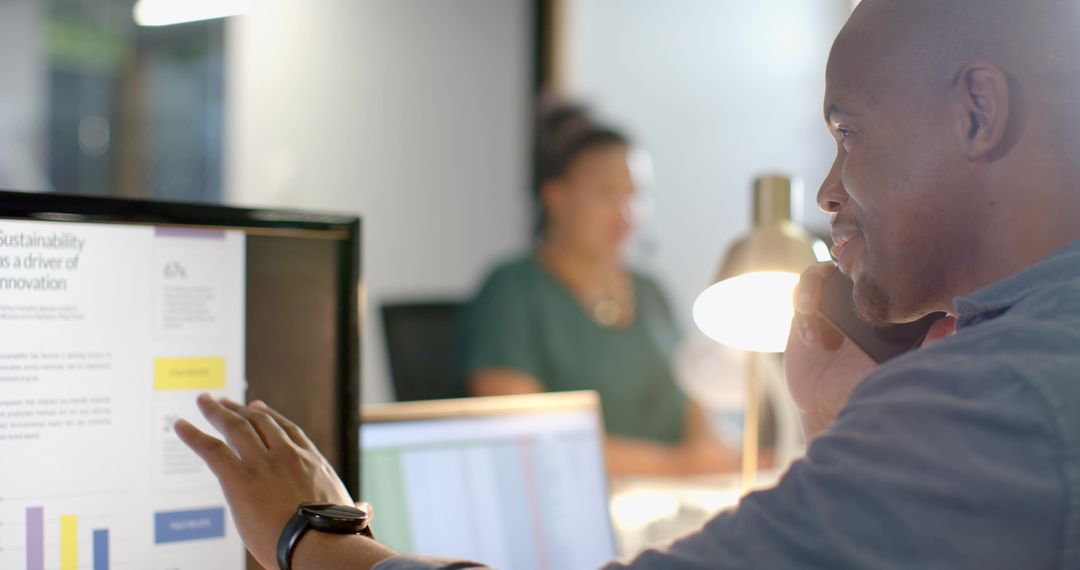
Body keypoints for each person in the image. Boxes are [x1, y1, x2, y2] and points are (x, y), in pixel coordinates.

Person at [175, 0, 1080, 567]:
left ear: (976, 109)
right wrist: (853, 435)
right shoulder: (1016, 359)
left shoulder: (994, 393)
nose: (828, 190)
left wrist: (314, 540)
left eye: (850, 132)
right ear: (556, 197)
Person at [459, 103, 739, 476]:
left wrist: (711, 449)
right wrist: (675, 465)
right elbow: (523, 439)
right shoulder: (512, 290)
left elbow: (691, 402)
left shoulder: (649, 291)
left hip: (669, 502)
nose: (626, 213)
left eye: (636, 195)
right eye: (608, 193)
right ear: (556, 196)